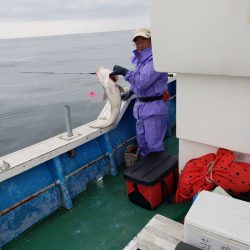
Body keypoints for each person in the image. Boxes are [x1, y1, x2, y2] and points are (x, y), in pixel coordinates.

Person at [109, 28, 169, 157]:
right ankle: (146, 169)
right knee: (142, 142)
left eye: (143, 40)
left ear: (152, 41)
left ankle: (156, 171)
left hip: (154, 109)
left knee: (154, 145)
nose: (139, 44)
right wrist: (131, 91)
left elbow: (142, 81)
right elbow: (138, 80)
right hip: (141, 108)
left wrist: (125, 72)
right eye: (137, 42)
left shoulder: (155, 60)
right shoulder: (140, 60)